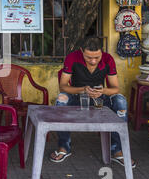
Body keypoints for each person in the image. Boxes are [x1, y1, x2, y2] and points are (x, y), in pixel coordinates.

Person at [50, 36, 136, 168]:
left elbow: (115, 88)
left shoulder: (108, 59)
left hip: (99, 99)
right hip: (77, 97)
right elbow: (63, 86)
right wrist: (82, 89)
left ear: (102, 51)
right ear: (81, 51)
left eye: (97, 57)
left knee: (120, 100)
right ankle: (64, 147)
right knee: (62, 98)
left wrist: (103, 91)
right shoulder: (72, 57)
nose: (93, 61)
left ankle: (117, 151)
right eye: (89, 57)